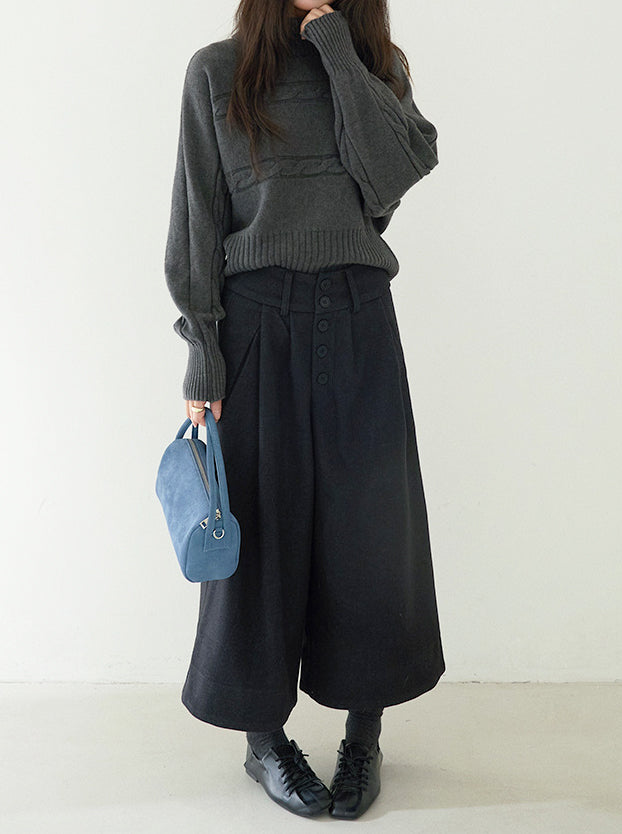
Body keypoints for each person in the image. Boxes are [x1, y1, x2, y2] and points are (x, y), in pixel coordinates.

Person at [163, 0, 445, 820]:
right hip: (257, 321)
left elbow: (387, 181)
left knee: (371, 538)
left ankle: (364, 737)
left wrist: (335, 48)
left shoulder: (376, 69)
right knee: (259, 535)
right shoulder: (216, 72)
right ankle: (263, 740)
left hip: (358, 313)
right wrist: (202, 347)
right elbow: (197, 214)